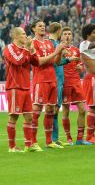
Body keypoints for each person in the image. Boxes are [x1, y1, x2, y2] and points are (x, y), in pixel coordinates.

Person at [3, 27, 62, 152]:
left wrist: (32, 50)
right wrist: (27, 48)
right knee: (14, 116)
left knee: (29, 117)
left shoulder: (26, 48)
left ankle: (29, 145)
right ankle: (12, 147)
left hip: (25, 87)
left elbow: (35, 62)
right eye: (24, 34)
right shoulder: (9, 48)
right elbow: (18, 60)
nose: (26, 36)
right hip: (14, 87)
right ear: (16, 36)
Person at [31, 20, 66, 150]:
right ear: (34, 28)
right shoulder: (33, 43)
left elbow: (55, 62)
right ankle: (33, 142)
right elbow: (39, 62)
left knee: (51, 110)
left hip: (52, 80)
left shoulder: (48, 43)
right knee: (37, 111)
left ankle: (48, 141)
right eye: (39, 25)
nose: (42, 27)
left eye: (43, 26)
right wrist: (56, 52)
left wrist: (60, 53)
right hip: (40, 80)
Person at [60, 27, 92, 145]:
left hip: (76, 83)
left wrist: (80, 68)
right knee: (66, 111)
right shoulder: (59, 49)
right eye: (65, 34)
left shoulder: (75, 50)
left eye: (69, 34)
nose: (67, 36)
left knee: (83, 110)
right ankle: (69, 138)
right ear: (61, 36)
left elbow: (80, 65)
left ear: (72, 36)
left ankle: (79, 139)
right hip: (65, 83)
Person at [48, 22, 78, 146]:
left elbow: (58, 62)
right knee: (52, 110)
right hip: (54, 79)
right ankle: (50, 139)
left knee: (55, 110)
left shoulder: (55, 44)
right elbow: (54, 62)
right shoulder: (51, 44)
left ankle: (55, 139)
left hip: (60, 80)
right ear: (59, 31)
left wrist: (69, 60)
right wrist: (65, 57)